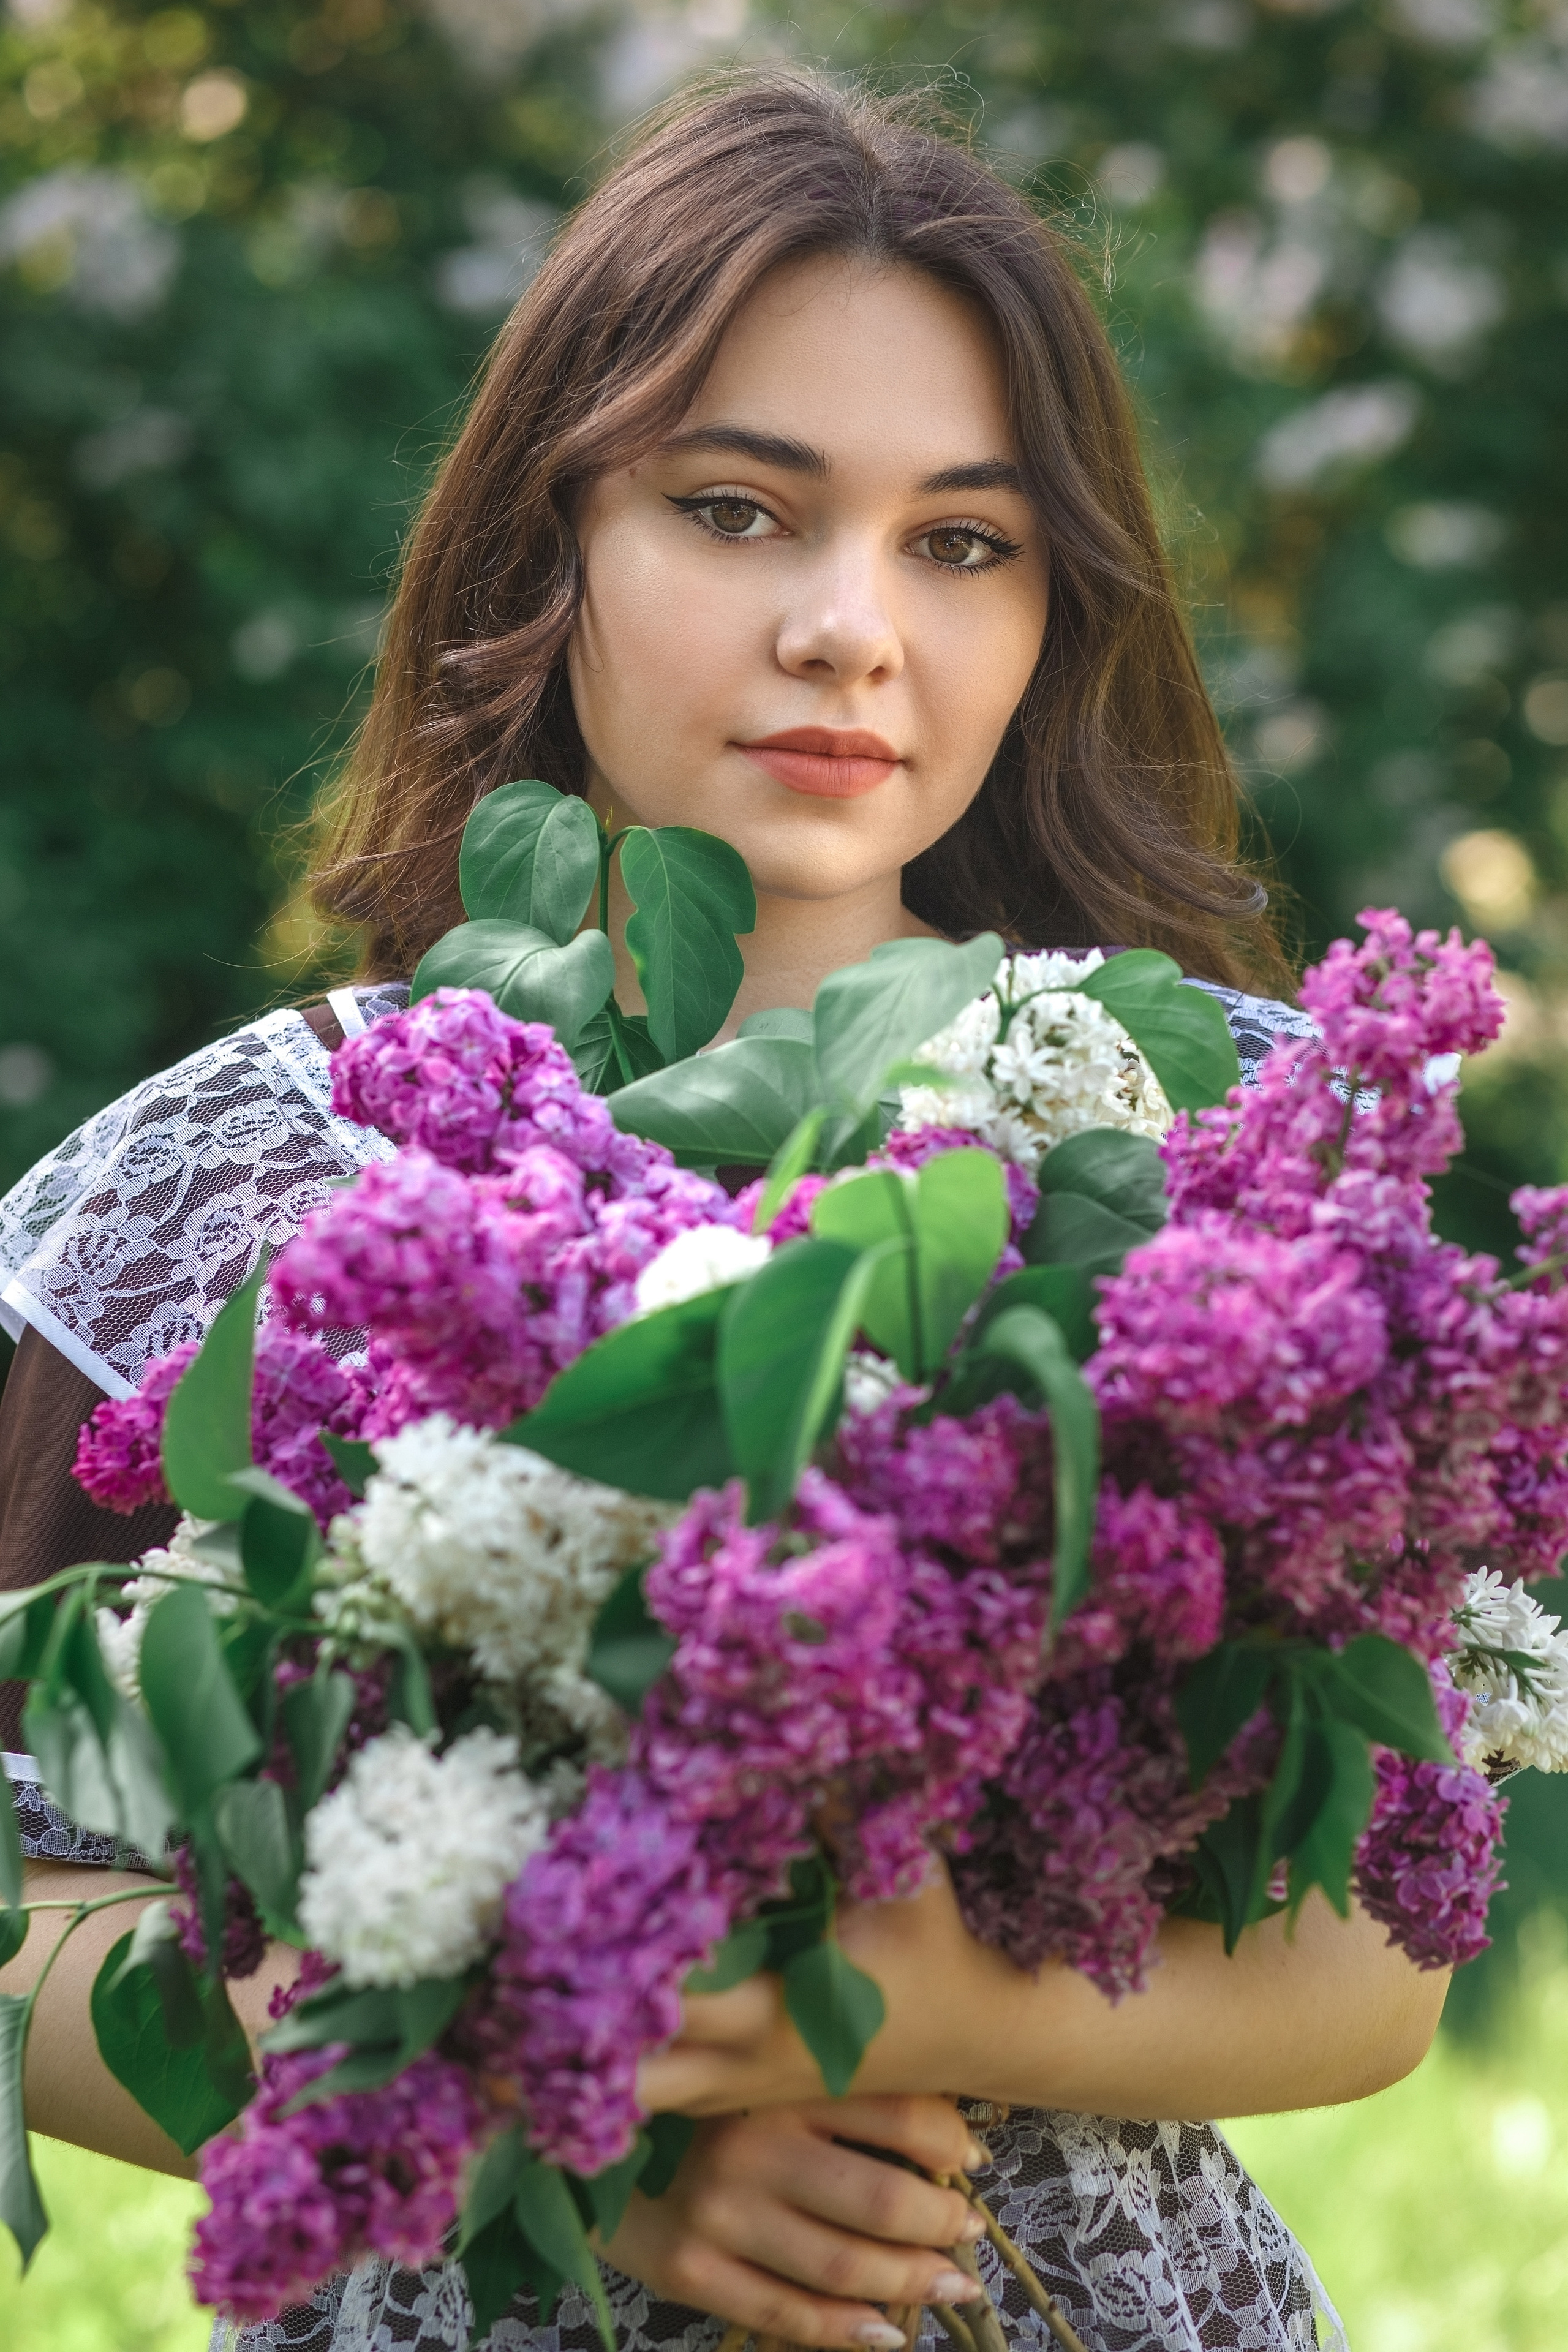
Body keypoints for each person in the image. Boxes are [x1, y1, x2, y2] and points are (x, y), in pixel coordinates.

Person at [0, 69, 1445, 2352]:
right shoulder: (262, 1178)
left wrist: (892, 2002)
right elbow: (29, 1899)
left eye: (962, 542)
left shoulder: (1226, 1147)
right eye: (740, 511)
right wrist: (560, 2117)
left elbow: (1379, 1960)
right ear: (544, 539)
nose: (852, 629)